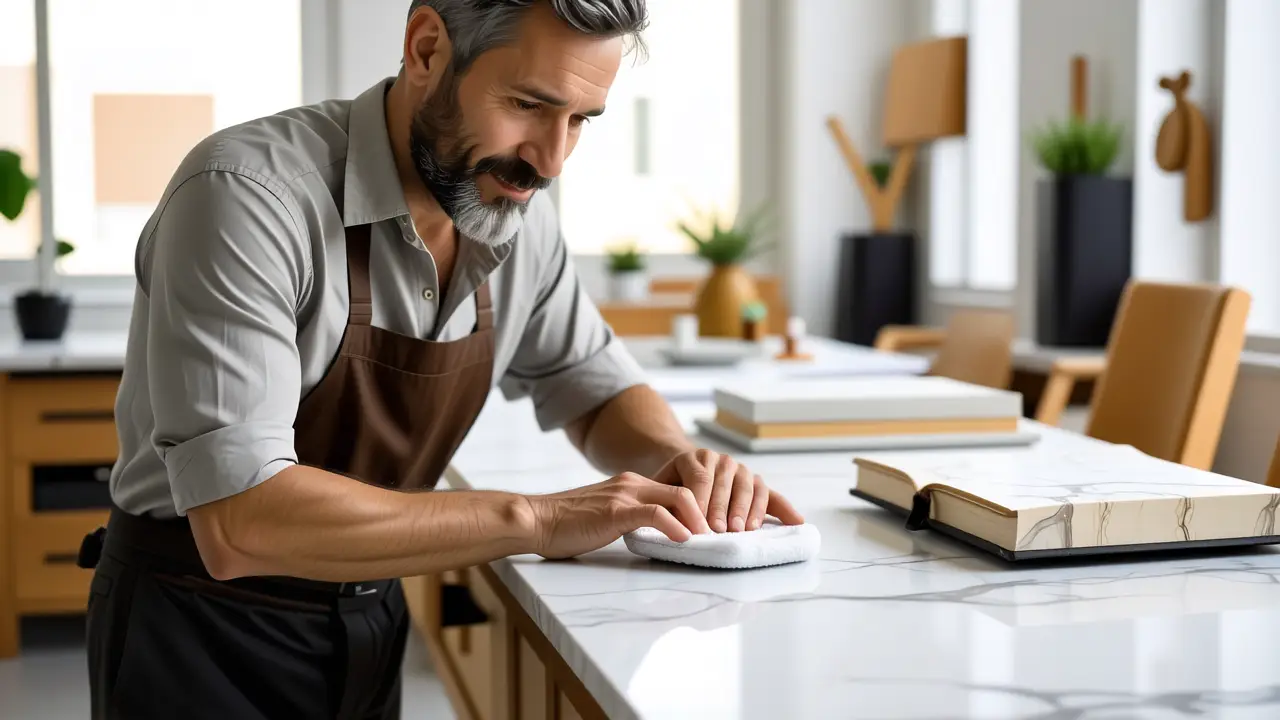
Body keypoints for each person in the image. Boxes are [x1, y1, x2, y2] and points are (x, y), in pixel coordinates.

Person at [80, 1, 804, 717]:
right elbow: (241, 522)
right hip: (199, 634)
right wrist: (537, 520)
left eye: (581, 120)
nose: (550, 159)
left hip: (370, 611)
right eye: (528, 104)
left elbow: (592, 384)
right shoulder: (247, 197)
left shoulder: (517, 213)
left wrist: (676, 462)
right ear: (427, 49)